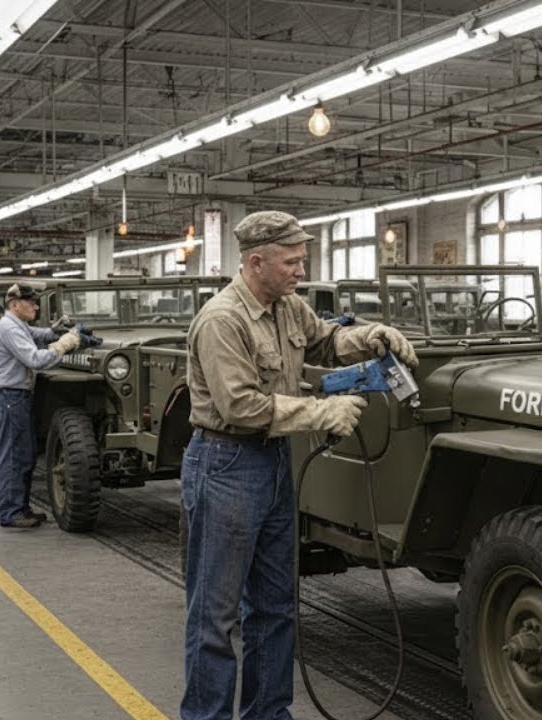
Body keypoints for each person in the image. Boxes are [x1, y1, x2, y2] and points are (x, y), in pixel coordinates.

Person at [180, 211, 418, 720]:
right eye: (291, 261)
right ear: (255, 262)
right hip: (224, 465)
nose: (300, 270)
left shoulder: (287, 306)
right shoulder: (223, 320)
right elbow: (240, 406)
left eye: (302, 259)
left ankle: (269, 713)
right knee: (214, 616)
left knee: (274, 605)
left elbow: (326, 340)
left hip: (270, 464)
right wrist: (320, 410)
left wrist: (375, 335)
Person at [0, 283, 81, 529]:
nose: (36, 306)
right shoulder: (9, 328)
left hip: (14, 399)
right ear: (14, 305)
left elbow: (37, 335)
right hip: (8, 399)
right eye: (31, 302)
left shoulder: (18, 325)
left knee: (24, 455)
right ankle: (10, 512)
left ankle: (20, 508)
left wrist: (56, 332)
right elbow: (34, 359)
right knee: (12, 458)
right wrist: (63, 345)